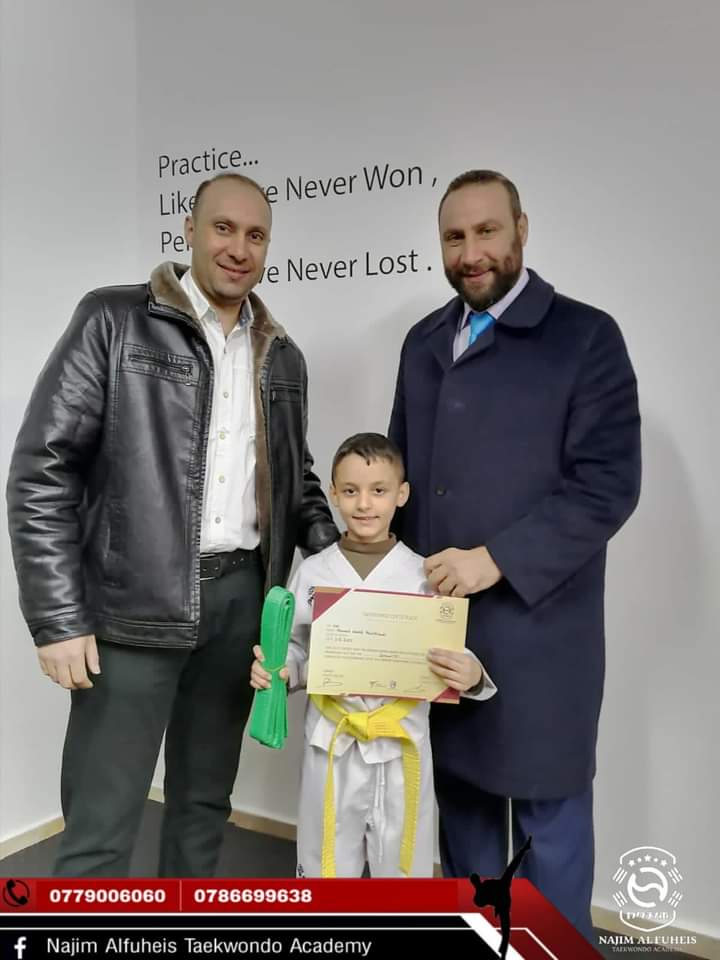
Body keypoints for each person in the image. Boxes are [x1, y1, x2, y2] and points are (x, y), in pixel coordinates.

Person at [6, 172, 338, 877]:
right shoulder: (113, 320)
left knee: (203, 808)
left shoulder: (283, 355)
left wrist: (355, 570)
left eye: (256, 235)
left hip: (242, 605)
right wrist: (57, 619)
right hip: (132, 607)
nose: (239, 248)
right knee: (102, 822)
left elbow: (296, 481)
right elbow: (43, 469)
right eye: (223, 228)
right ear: (189, 231)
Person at [388, 170, 641, 938]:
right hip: (443, 630)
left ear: (521, 230)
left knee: (549, 833)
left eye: (486, 231)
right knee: (462, 823)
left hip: (543, 634)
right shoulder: (423, 342)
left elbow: (607, 486)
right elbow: (402, 480)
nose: (471, 252)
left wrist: (493, 558)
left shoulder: (586, 337)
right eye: (454, 237)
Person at [250, 433, 497, 877]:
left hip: (402, 746)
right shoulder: (314, 572)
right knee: (325, 870)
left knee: (403, 878)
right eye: (350, 491)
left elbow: (451, 653)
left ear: (401, 494)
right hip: (332, 743)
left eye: (378, 490)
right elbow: (298, 650)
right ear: (333, 493)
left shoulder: (424, 575)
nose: (364, 504)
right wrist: (282, 670)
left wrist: (473, 675)